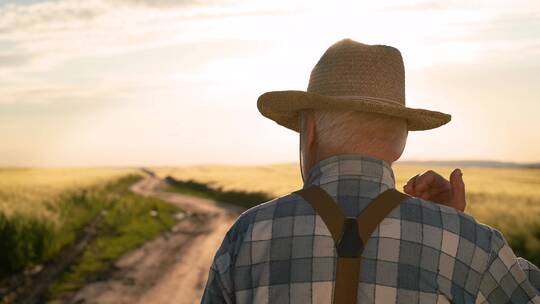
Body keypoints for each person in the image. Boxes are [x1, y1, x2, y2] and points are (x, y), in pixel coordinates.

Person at [201, 39, 540, 303]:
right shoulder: (468, 242)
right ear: (402, 139)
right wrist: (455, 228)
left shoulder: (248, 235)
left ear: (312, 129)